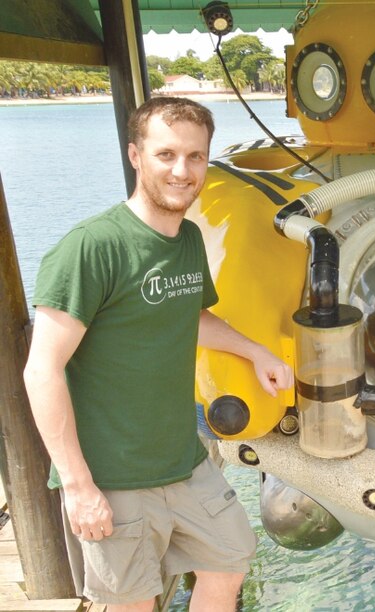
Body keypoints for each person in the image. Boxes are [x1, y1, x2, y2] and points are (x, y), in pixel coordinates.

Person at [23, 97, 294, 611]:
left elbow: (190, 314)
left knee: (230, 558)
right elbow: (42, 370)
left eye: (195, 157)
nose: (181, 170)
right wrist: (79, 486)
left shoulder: (187, 238)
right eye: (166, 154)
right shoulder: (91, 248)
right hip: (112, 475)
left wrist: (257, 352)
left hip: (182, 460)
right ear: (135, 155)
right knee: (134, 602)